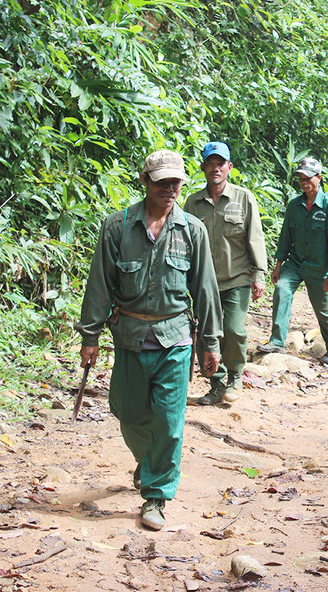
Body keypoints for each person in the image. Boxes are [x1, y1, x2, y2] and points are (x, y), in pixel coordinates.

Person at [75, 149, 222, 531]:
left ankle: (156, 494)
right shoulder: (117, 227)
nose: (170, 188)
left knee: (170, 422)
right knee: (126, 410)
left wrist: (211, 342)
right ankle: (149, 459)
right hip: (130, 338)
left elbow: (205, 289)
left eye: (176, 182)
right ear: (145, 182)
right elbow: (99, 285)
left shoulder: (192, 230)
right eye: (162, 182)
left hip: (175, 339)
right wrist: (89, 335)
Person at [184, 141, 267, 405]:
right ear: (203, 167)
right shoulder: (193, 203)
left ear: (229, 167)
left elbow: (255, 237)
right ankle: (216, 383)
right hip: (204, 282)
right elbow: (185, 243)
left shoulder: (244, 198)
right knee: (209, 332)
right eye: (210, 163)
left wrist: (259, 275)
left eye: (220, 164)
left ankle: (235, 376)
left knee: (233, 329)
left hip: (238, 278)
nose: (215, 168)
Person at [256, 157, 328, 365]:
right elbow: (286, 237)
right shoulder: (295, 206)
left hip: (319, 266)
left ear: (319, 178)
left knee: (323, 311)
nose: (304, 182)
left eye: (308, 178)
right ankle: (277, 340)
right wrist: (278, 266)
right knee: (281, 290)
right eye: (300, 179)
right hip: (295, 263)